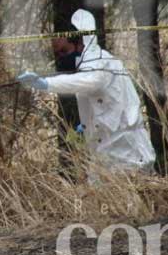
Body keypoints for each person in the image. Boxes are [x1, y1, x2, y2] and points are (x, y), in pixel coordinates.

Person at [17, 9, 156, 174]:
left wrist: (46, 83)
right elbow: (100, 100)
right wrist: (86, 125)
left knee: (128, 195)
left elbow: (88, 82)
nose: (61, 58)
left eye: (64, 51)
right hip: (107, 153)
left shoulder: (100, 63)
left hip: (128, 152)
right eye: (57, 54)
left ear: (80, 43)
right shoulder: (91, 66)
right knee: (99, 196)